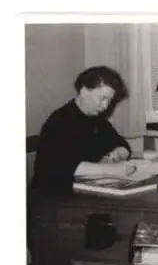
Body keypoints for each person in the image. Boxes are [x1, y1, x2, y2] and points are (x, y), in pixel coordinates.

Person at [30, 66, 137, 194]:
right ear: (84, 91)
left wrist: (112, 157)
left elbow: (123, 146)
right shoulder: (60, 121)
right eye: (103, 98)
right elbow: (69, 168)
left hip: (80, 191)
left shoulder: (97, 119)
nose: (106, 106)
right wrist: (114, 169)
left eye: (110, 100)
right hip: (51, 197)